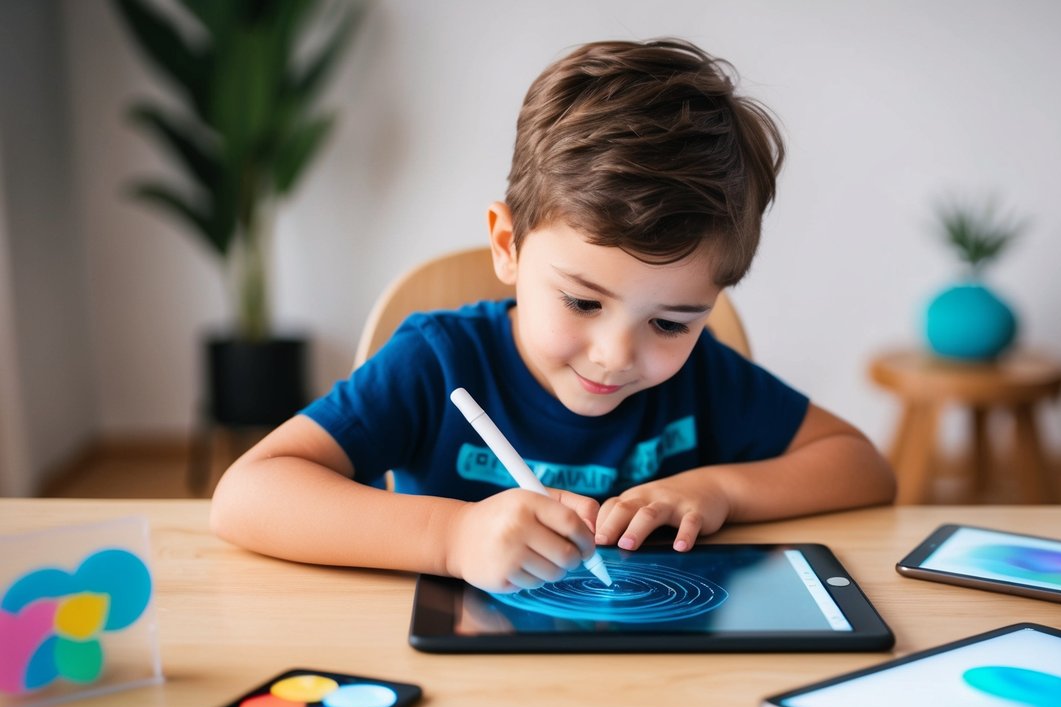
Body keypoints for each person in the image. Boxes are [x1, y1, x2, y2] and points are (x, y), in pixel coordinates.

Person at [211, 38, 896, 593]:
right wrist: (451, 540)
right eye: (582, 301)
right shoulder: (439, 360)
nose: (615, 354)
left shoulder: (705, 379)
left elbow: (860, 466)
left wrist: (718, 489)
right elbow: (246, 495)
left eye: (670, 323)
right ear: (507, 245)